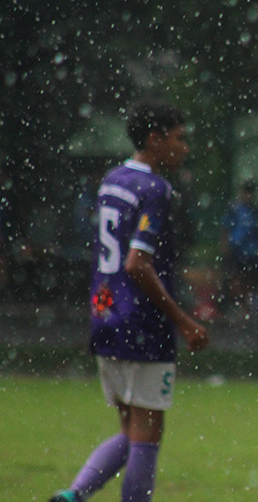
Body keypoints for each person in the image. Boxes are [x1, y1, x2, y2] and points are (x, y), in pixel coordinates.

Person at [49, 100, 210, 502]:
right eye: (179, 138)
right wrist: (182, 320)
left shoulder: (112, 179)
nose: (184, 147)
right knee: (149, 433)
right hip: (143, 322)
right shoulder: (155, 188)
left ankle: (73, 496)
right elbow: (138, 264)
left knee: (131, 429)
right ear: (155, 139)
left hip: (105, 314)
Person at [220, 178, 258, 311]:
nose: (249, 195)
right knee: (236, 276)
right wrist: (225, 245)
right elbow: (226, 227)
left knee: (248, 277)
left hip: (251, 249)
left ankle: (245, 303)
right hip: (237, 248)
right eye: (247, 192)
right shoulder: (235, 208)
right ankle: (238, 303)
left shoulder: (255, 210)